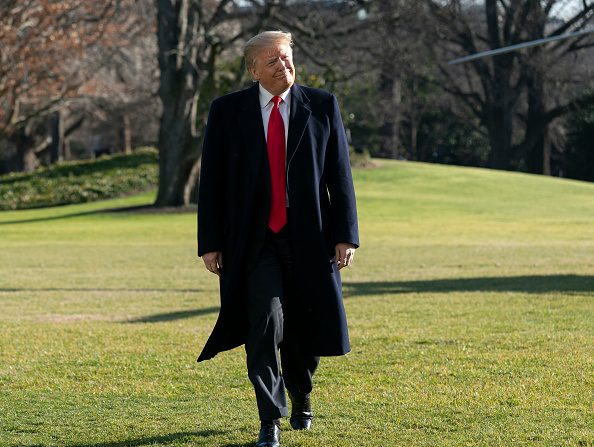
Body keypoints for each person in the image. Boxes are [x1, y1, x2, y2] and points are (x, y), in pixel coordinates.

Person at [197, 30, 359, 447]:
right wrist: (209, 242)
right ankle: (270, 417)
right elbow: (211, 182)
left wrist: (346, 236)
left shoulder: (322, 106)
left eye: (286, 58)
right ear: (253, 70)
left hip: (309, 239)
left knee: (305, 325)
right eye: (271, 61)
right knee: (265, 323)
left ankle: (302, 396)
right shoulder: (227, 111)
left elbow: (339, 176)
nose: (282, 66)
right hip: (251, 241)